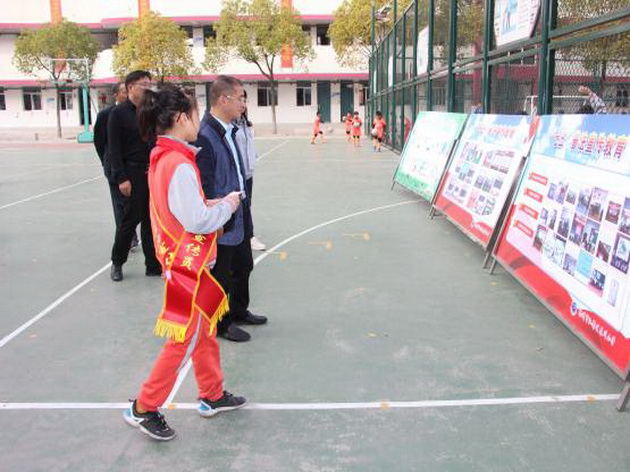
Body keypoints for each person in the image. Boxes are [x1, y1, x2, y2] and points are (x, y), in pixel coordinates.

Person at [123, 84, 246, 441]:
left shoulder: (167, 157)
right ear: (180, 118)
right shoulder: (177, 163)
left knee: (204, 329)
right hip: (185, 266)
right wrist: (227, 206)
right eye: (194, 114)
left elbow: (183, 210)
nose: (197, 121)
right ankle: (144, 406)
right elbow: (197, 221)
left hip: (187, 261)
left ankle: (212, 393)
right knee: (184, 339)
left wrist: (212, 204)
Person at [196, 76, 268, 343]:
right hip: (222, 217)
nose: (243, 104)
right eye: (240, 98)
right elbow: (206, 186)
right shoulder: (206, 135)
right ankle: (221, 323)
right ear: (223, 99)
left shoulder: (230, 129)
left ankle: (238, 310)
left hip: (239, 209)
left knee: (244, 265)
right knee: (221, 274)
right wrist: (219, 214)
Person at [108, 70, 162, 281]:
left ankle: (152, 265)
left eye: (149, 84)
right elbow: (114, 149)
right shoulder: (118, 113)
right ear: (130, 87)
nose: (148, 88)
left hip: (152, 171)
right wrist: (122, 178)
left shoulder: (151, 111)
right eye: (143, 84)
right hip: (131, 173)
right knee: (130, 220)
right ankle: (117, 262)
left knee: (151, 220)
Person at [93, 82, 139, 250]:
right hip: (115, 169)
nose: (126, 95)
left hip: (135, 168)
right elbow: (99, 142)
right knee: (120, 207)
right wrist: (107, 162)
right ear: (116, 95)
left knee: (135, 205)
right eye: (123, 92)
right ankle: (127, 239)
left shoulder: (138, 112)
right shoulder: (106, 115)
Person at [234, 91, 266, 252]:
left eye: (245, 100)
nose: (243, 104)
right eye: (240, 99)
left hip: (247, 172)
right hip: (237, 173)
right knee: (240, 206)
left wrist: (253, 158)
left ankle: (247, 235)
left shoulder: (245, 124)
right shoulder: (231, 126)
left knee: (247, 205)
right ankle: (249, 236)